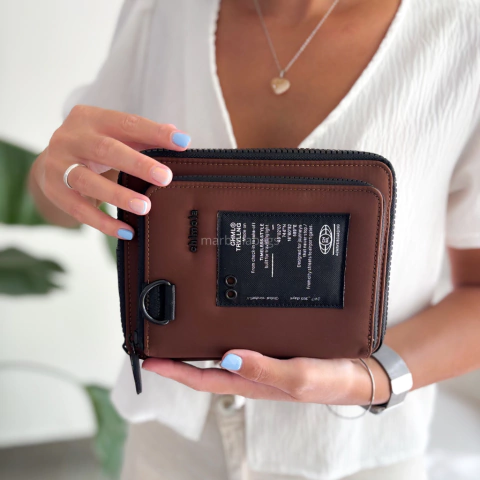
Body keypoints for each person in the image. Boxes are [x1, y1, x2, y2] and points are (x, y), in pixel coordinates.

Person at [29, 0, 480, 479]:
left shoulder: (463, 32)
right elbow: (61, 203)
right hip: (170, 443)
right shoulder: (160, 10)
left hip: (352, 452)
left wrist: (369, 379)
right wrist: (52, 173)